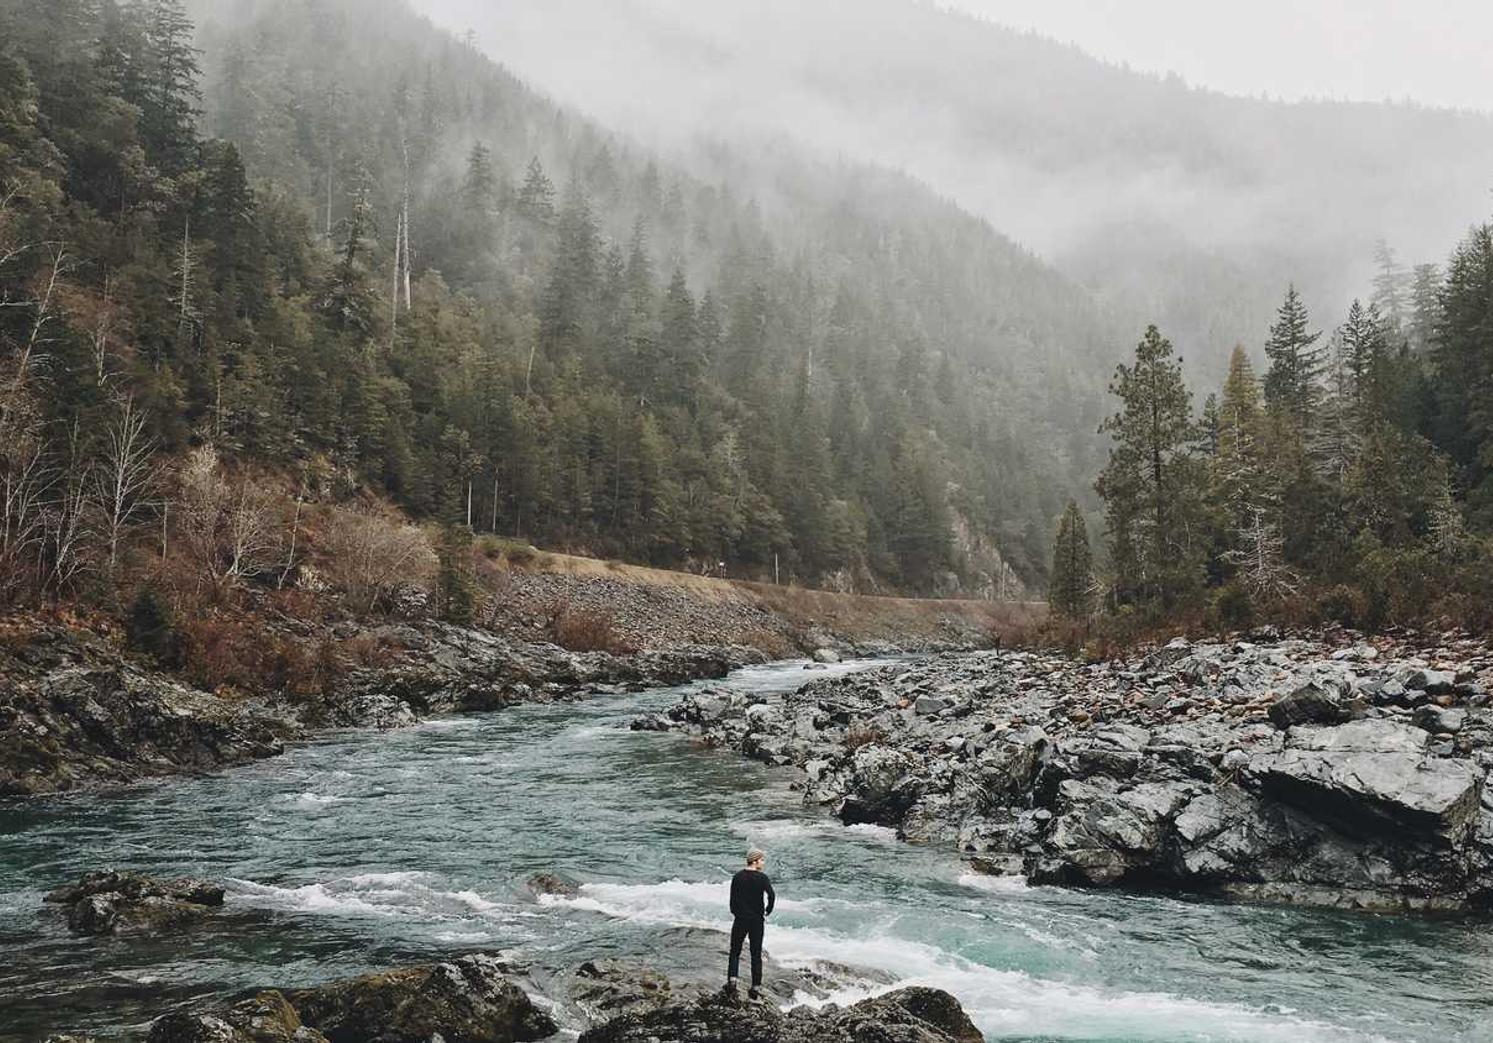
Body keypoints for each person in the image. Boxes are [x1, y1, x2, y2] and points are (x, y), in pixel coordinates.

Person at [727, 848, 775, 999]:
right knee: (756, 954)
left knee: (735, 951)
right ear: (755, 861)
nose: (763, 862)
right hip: (756, 921)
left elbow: (733, 900)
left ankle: (732, 981)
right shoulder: (762, 878)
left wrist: (736, 913)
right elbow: (771, 895)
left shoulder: (737, 877)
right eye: (762, 860)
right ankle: (755, 987)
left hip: (740, 919)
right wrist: (768, 910)